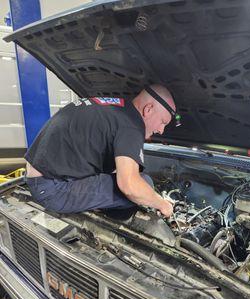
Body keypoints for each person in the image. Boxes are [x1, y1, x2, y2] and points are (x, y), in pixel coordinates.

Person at [25, 84, 179, 217]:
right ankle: (114, 223)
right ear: (149, 109)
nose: (161, 130)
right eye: (163, 122)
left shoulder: (116, 109)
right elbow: (130, 186)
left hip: (39, 176)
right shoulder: (132, 125)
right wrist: (162, 204)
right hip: (53, 190)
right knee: (145, 183)